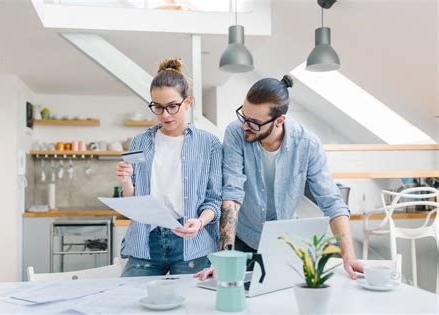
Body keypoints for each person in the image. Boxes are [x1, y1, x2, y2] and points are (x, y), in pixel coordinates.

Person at [195, 75, 363, 280]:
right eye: (243, 116)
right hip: (242, 239)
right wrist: (224, 257)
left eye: (254, 123)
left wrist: (349, 257)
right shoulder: (235, 134)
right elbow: (232, 195)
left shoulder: (307, 144)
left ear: (279, 120)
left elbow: (332, 202)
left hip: (283, 241)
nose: (245, 126)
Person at [116, 58, 222, 276]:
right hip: (146, 240)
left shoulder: (208, 144)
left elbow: (214, 200)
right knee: (126, 302)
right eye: (158, 106)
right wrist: (126, 181)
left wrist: (200, 222)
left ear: (188, 102)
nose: (165, 114)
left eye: (172, 106)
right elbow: (132, 200)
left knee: (192, 306)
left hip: (191, 242)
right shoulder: (140, 142)